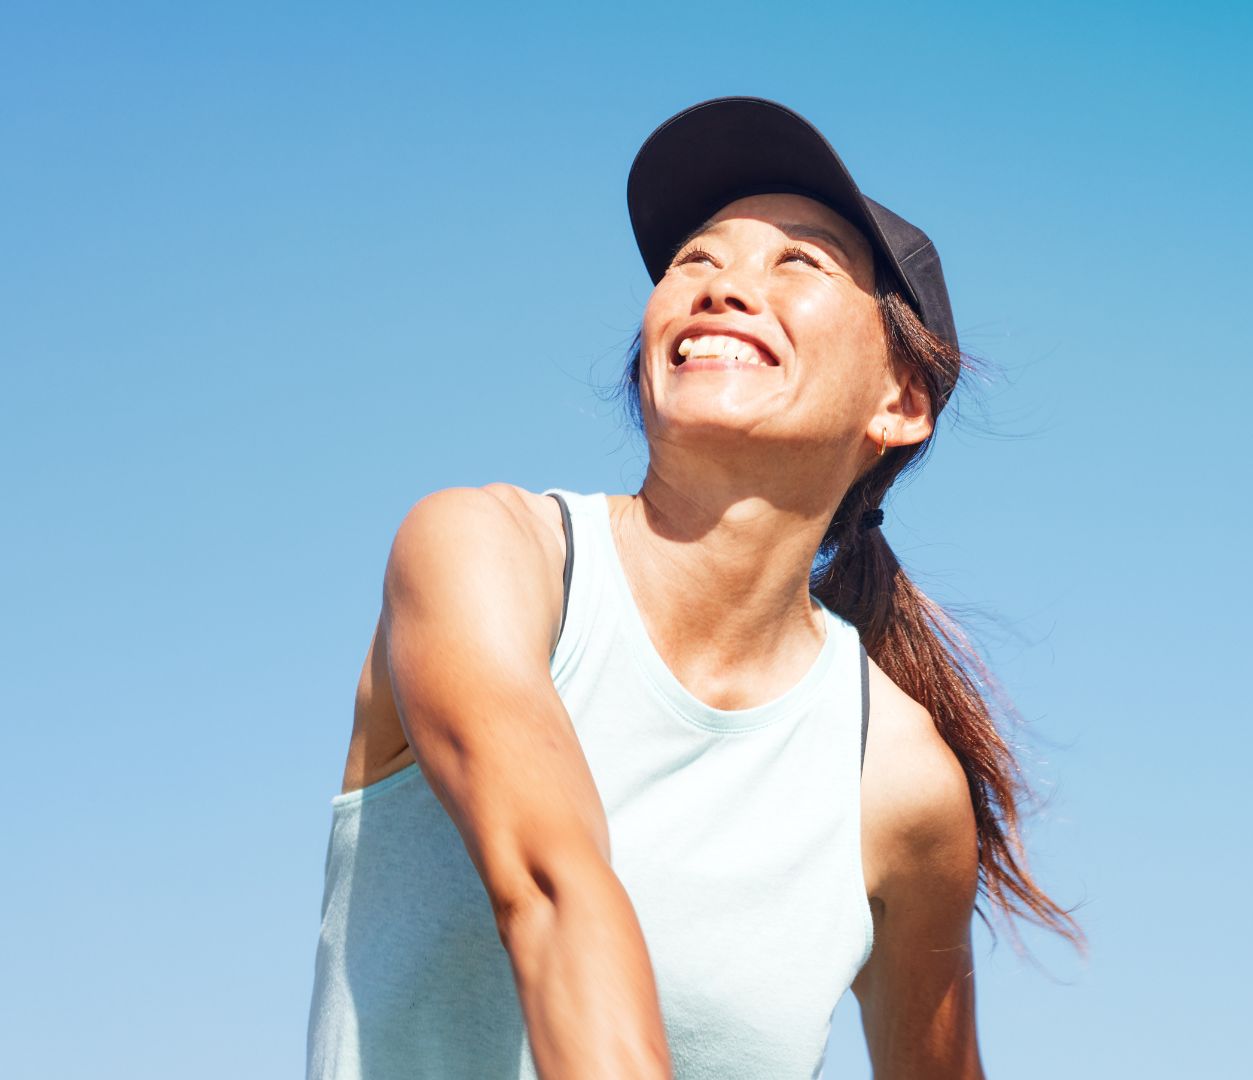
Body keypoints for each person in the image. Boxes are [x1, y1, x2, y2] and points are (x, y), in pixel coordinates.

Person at [304, 96, 1086, 1079]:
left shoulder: (897, 779)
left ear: (901, 401)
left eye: (798, 261)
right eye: (696, 261)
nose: (721, 287)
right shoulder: (489, 555)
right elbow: (553, 891)